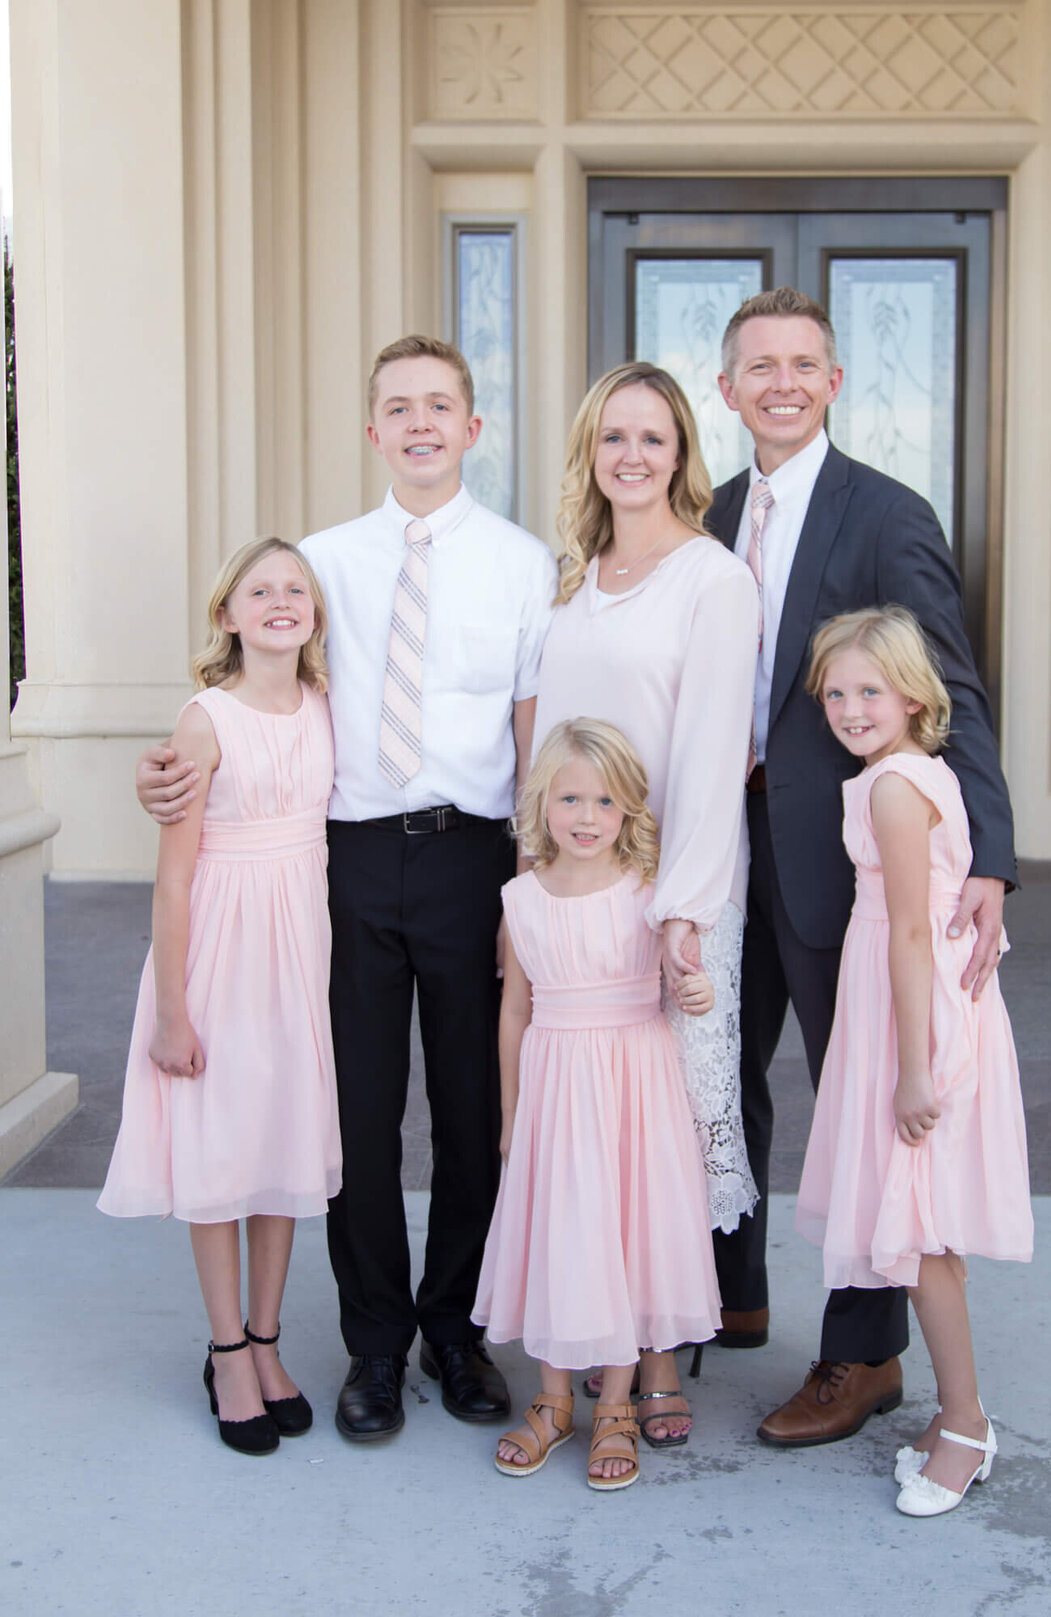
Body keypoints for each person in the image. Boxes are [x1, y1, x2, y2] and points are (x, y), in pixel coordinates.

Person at [136, 336, 559, 1442]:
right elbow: (260, 686)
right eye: (397, 407)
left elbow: (529, 734)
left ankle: (454, 1331)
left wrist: (527, 889)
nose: (420, 423)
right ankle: (372, 1344)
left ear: (474, 428)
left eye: (441, 406)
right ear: (372, 431)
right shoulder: (323, 562)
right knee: (358, 1115)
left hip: (473, 856)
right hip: (350, 863)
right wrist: (178, 765)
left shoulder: (522, 563)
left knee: (472, 1109)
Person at [706, 287, 1018, 1448]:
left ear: (833, 382)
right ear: (727, 387)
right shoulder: (709, 508)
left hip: (843, 864)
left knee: (860, 1101)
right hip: (720, 851)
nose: (781, 381)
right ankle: (727, 1294)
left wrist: (986, 853)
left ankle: (862, 1355)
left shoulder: (887, 514)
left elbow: (954, 686)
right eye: (759, 365)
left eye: (803, 363)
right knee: (715, 1077)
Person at [531, 362, 758, 1444]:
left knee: (661, 1130)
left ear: (680, 454)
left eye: (653, 438)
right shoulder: (575, 576)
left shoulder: (712, 579)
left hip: (672, 887)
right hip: (573, 887)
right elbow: (548, 743)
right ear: (592, 452)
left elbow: (715, 755)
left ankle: (662, 1356)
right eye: (613, 437)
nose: (632, 455)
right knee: (589, 1124)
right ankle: (588, 1335)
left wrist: (683, 909)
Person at [99, 537, 341, 1456]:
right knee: (218, 1150)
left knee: (278, 1143)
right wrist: (171, 1010)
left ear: (314, 613)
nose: (281, 600)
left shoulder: (326, 706)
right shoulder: (204, 720)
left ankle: (271, 1338)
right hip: (220, 954)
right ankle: (226, 1346)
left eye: (296, 589)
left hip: (298, 955)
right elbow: (173, 878)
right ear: (227, 615)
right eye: (260, 589)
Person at [794, 606, 1033, 1515]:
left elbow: (905, 930)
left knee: (923, 1232)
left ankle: (967, 1426)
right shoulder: (910, 771)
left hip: (913, 1014)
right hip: (907, 999)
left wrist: (912, 1067)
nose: (852, 708)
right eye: (837, 692)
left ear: (913, 694)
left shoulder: (893, 786)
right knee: (926, 1230)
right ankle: (951, 1412)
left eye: (871, 690)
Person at [472, 719, 722, 1490]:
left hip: (632, 1089)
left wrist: (698, 987)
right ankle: (552, 1399)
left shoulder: (649, 894)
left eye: (604, 801)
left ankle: (616, 1404)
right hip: (555, 1088)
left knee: (623, 1236)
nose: (586, 816)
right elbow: (515, 1009)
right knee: (560, 1233)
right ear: (541, 802)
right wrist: (512, 1115)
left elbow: (685, 984)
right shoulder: (522, 897)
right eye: (570, 797)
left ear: (629, 810)